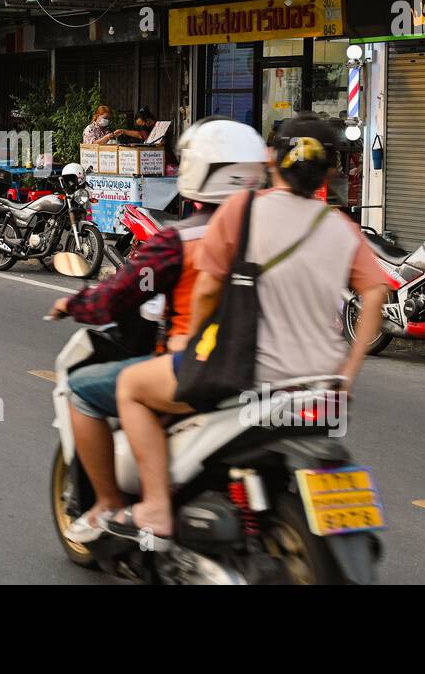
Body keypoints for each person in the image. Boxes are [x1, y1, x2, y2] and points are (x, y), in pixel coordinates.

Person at [104, 117, 389, 544]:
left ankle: (157, 509)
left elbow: (206, 290)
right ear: (329, 169)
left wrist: (193, 342)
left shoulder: (243, 210)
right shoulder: (342, 229)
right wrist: (348, 372)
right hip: (321, 388)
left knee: (130, 387)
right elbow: (376, 292)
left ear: (272, 159)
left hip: (248, 377)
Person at [47, 118, 268, 543]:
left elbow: (116, 296)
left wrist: (73, 303)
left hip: (202, 368)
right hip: (276, 372)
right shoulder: (279, 235)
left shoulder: (179, 240)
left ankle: (113, 503)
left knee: (82, 389)